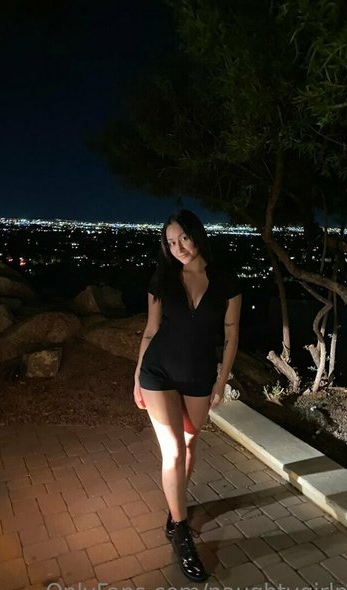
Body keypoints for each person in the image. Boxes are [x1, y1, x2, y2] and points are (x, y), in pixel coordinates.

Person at [133, 209, 242, 582]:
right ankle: (180, 532)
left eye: (183, 238)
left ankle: (175, 506)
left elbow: (231, 335)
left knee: (190, 445)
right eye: (170, 242)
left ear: (196, 235)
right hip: (158, 373)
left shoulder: (225, 280)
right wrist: (137, 377)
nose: (177, 247)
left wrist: (221, 382)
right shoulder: (162, 277)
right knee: (174, 451)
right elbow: (151, 330)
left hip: (199, 377)